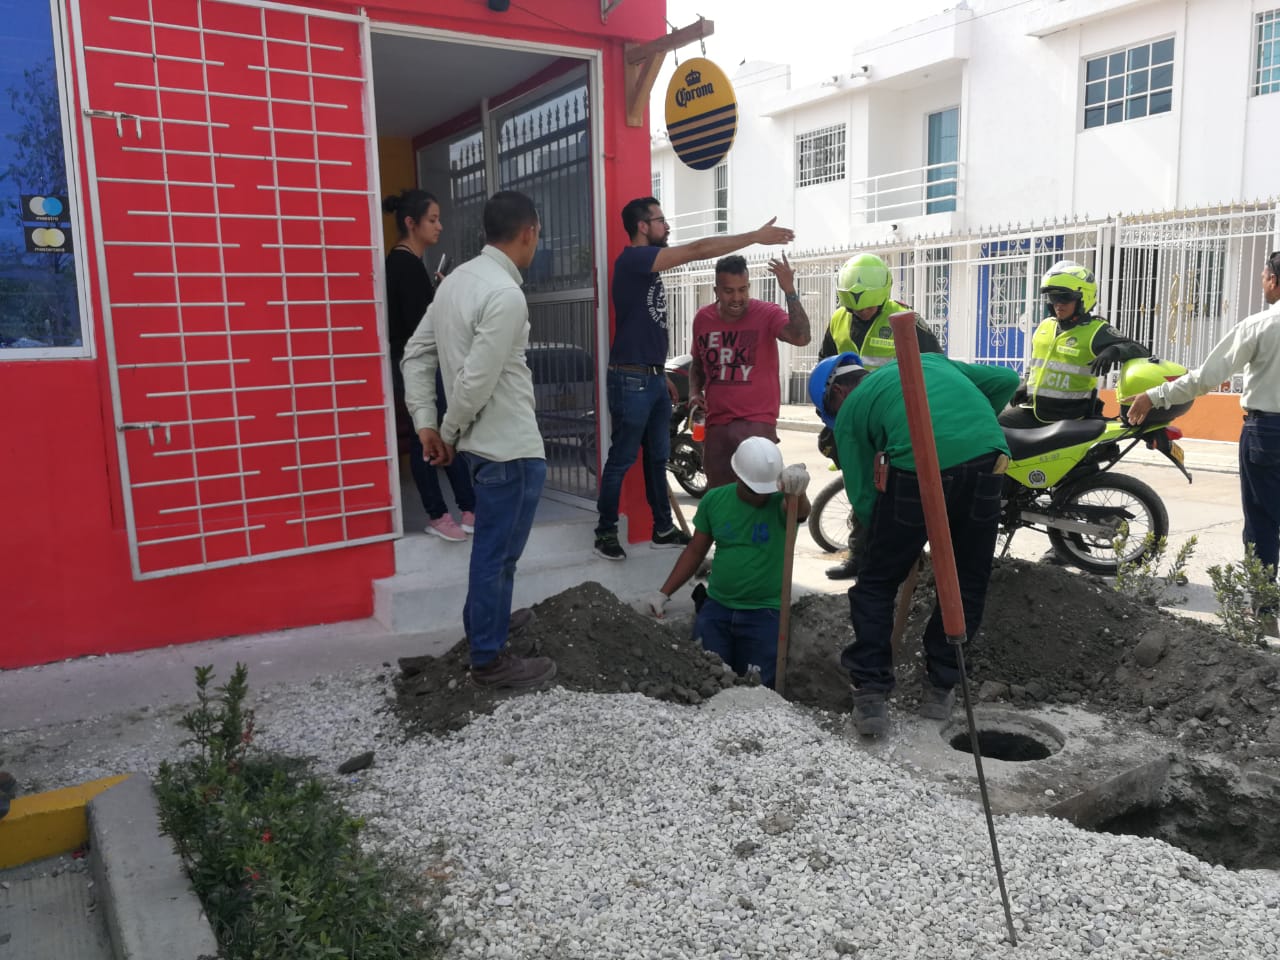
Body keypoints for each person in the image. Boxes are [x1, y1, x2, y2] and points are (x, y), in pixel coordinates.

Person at [811, 350, 1020, 739]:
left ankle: (871, 694)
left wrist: (895, 546)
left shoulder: (853, 411)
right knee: (966, 579)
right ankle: (940, 689)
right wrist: (965, 431)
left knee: (876, 582)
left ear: (837, 393)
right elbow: (1006, 382)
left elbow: (864, 499)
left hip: (916, 466)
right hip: (989, 458)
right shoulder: (929, 361)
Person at [400, 190, 555, 689]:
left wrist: (428, 424)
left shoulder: (452, 285)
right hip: (509, 446)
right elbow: (474, 381)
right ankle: (489, 659)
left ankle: (486, 625)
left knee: (493, 553)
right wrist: (442, 434)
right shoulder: (505, 295)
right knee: (497, 555)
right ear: (529, 232)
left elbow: (415, 356)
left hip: (483, 450)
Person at [594, 196, 795, 562]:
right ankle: (605, 529)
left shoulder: (646, 268)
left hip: (650, 377)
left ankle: (662, 528)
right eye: (660, 220)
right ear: (643, 226)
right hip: (630, 378)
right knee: (623, 458)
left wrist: (659, 374)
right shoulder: (634, 260)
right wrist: (754, 236)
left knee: (657, 458)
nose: (666, 226)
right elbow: (699, 249)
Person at [1129, 251, 1280, 586]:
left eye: (1263, 275)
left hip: (1267, 431)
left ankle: (1263, 610)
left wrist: (1154, 395)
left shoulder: (1260, 326)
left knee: (1263, 520)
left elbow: (1204, 379)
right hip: (1267, 432)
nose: (1261, 281)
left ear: (1273, 279)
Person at [642, 437, 810, 689]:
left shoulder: (782, 503)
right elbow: (695, 551)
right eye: (754, 490)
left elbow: (801, 511)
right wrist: (663, 593)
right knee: (707, 677)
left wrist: (799, 491)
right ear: (738, 477)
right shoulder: (715, 501)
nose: (760, 497)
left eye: (765, 490)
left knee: (759, 687)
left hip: (764, 613)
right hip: (717, 609)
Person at [818, 252, 943, 580]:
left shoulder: (905, 320)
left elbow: (935, 366)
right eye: (855, 306)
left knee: (900, 491)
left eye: (868, 306)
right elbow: (826, 368)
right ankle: (859, 556)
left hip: (895, 421)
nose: (861, 311)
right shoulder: (838, 320)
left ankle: (908, 562)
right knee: (860, 489)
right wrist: (830, 421)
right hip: (855, 423)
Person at [383, 189, 477, 543]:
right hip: (417, 369)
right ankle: (439, 513)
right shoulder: (402, 266)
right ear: (411, 223)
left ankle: (469, 509)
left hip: (426, 366)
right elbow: (419, 330)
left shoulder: (409, 265)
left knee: (445, 434)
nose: (439, 226)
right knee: (429, 438)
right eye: (432, 219)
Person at [687, 254, 811, 490]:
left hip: (757, 423)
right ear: (716, 290)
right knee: (719, 496)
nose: (737, 298)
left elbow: (802, 337)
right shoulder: (703, 319)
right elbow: (697, 363)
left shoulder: (766, 313)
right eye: (729, 291)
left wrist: (790, 291)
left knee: (759, 496)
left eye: (743, 290)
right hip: (717, 426)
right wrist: (694, 392)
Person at [998, 259, 1149, 429]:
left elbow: (1141, 350)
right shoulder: (1045, 326)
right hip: (1034, 410)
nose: (1058, 304)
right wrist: (1025, 384)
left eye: (1065, 298)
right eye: (1054, 298)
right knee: (994, 427)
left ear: (1083, 298)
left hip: (1070, 415)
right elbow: (1036, 364)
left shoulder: (1096, 330)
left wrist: (1114, 351)